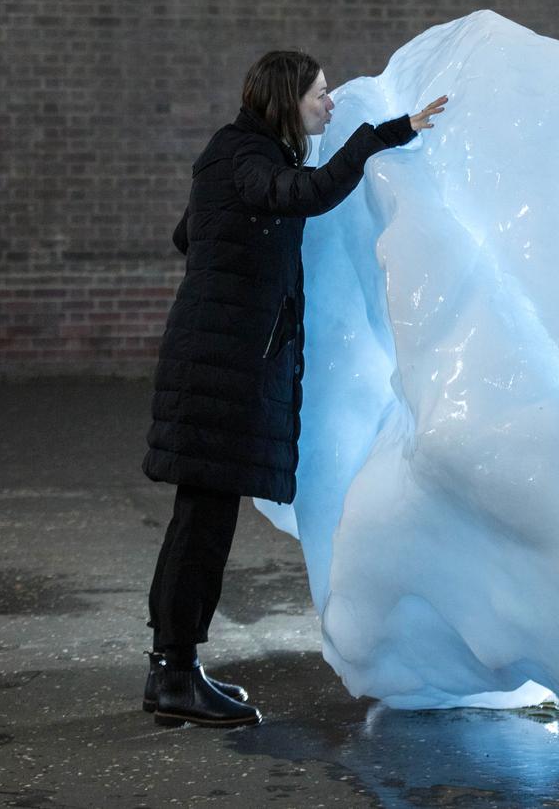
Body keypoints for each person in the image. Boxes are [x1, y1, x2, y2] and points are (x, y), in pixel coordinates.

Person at [140, 49, 448, 727]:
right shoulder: (246, 153)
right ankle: (174, 675)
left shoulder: (236, 155)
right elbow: (298, 196)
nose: (330, 104)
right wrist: (380, 135)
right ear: (287, 98)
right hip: (221, 366)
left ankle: (173, 670)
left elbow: (187, 232)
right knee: (202, 523)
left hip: (216, 360)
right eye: (320, 93)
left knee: (201, 518)